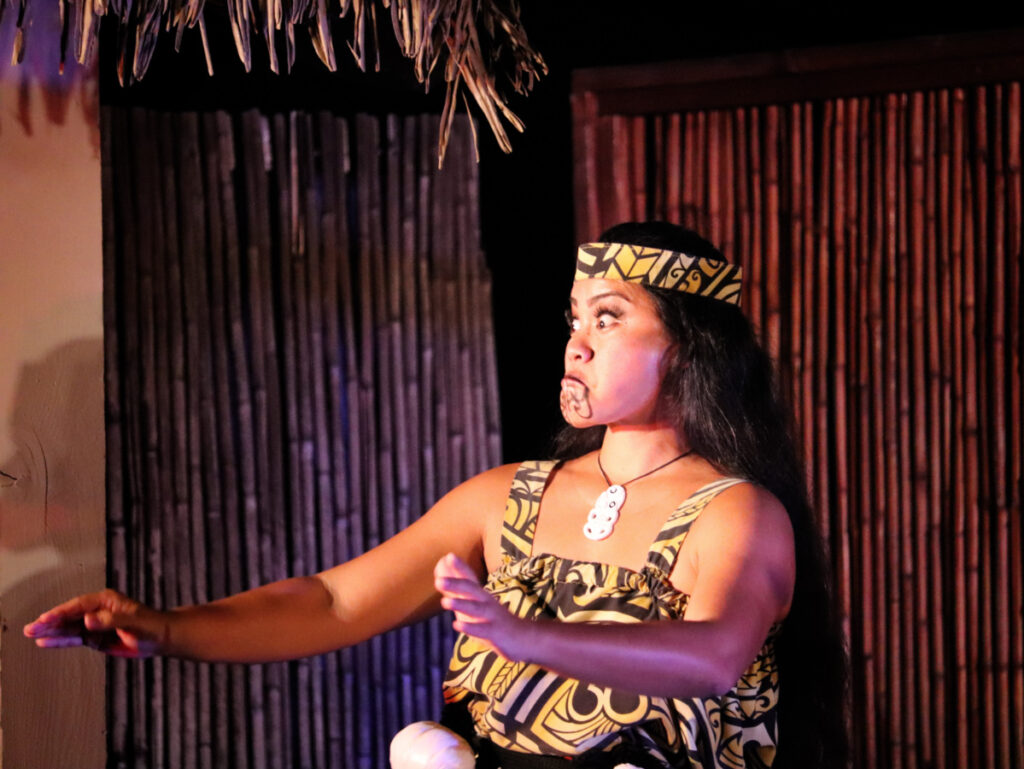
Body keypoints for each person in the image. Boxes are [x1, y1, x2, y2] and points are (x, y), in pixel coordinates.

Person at [24, 222, 848, 769]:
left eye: (608, 317)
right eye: (573, 318)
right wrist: (165, 627)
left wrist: (529, 636)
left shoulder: (735, 512)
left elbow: (712, 657)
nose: (576, 342)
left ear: (689, 347)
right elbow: (334, 599)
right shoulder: (505, 501)